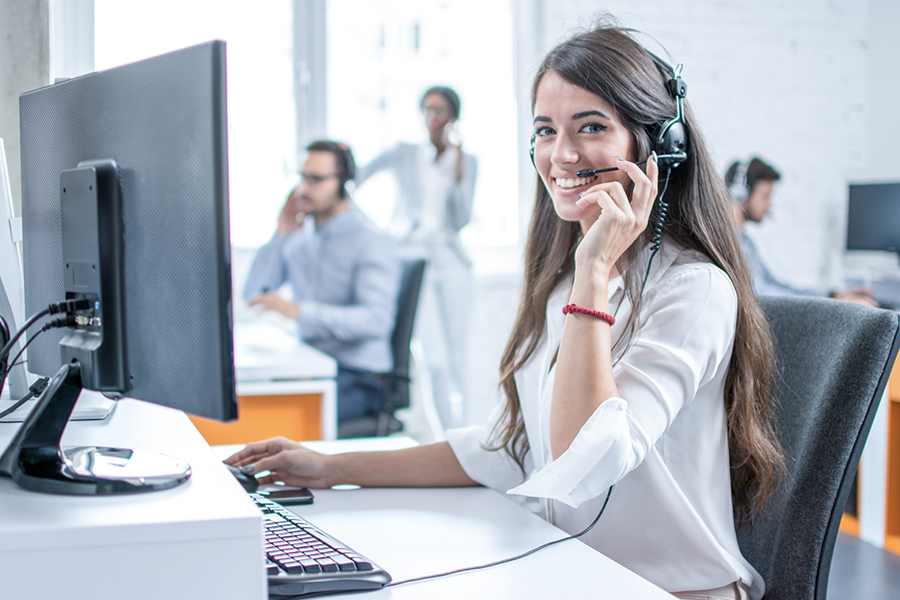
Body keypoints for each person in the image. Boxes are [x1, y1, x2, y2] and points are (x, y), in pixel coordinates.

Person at [229, 23, 785, 600]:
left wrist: (593, 271)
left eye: (591, 127)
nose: (561, 155)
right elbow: (513, 450)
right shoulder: (566, 282)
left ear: (658, 146)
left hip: (670, 592)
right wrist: (331, 468)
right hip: (576, 576)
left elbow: (583, 461)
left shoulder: (693, 291)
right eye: (546, 131)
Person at [243, 140, 401, 426]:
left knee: (272, 421)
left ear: (343, 183)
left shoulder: (371, 241)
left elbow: (376, 321)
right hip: (311, 365)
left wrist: (300, 312)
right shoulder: (300, 238)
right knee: (247, 404)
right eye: (302, 178)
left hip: (360, 376)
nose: (303, 189)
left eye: (315, 180)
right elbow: (254, 294)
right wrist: (281, 233)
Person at [354, 85, 478, 428]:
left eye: (439, 110)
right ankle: (442, 434)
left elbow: (461, 218)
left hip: (450, 259)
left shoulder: (466, 161)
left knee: (457, 352)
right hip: (411, 254)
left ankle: (463, 431)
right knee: (431, 355)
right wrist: (381, 233)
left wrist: (457, 171)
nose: (432, 117)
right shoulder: (404, 153)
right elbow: (354, 179)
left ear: (452, 116)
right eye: (427, 109)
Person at [726, 157, 876, 305]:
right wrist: (836, 303)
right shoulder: (730, 244)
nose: (769, 205)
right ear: (740, 194)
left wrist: (833, 295)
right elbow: (765, 295)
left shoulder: (745, 242)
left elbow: (778, 287)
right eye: (765, 196)